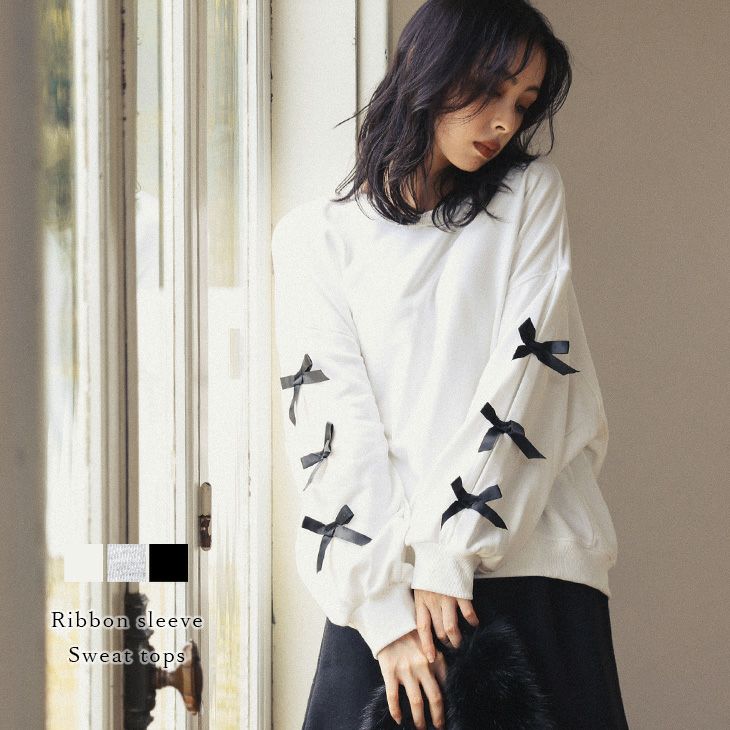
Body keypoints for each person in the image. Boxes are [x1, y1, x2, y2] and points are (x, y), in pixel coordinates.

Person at [272, 1, 629, 728]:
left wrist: (448, 552)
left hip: (528, 563)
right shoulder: (314, 240)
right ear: (425, 67)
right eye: (491, 88)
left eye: (522, 103)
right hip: (383, 591)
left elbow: (531, 378)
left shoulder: (528, 198)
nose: (504, 121)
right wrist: (383, 616)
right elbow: (329, 430)